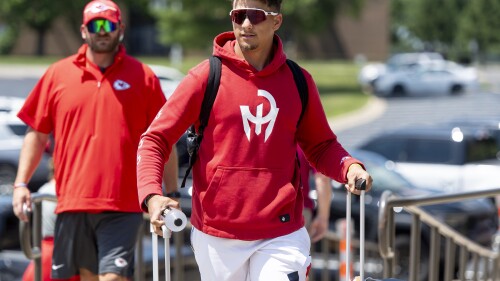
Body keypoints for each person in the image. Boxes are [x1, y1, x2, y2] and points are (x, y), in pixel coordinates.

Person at [137, 0, 373, 280]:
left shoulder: (299, 81)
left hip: (282, 232)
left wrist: (349, 167)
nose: (246, 23)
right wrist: (152, 195)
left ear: (277, 21)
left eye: (256, 16)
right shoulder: (205, 77)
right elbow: (155, 139)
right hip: (217, 234)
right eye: (239, 15)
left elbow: (321, 146)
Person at [11, 1, 178, 280]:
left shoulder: (144, 77)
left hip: (122, 205)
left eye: (109, 25)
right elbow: (37, 133)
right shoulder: (57, 74)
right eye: (95, 25)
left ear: (120, 29)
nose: (102, 31)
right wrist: (20, 184)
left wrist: (170, 193)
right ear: (83, 30)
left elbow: (164, 139)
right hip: (72, 203)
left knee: (113, 277)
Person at [297, 147, 332, 243]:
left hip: (264, 207)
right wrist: (323, 217)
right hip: (299, 210)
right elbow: (322, 179)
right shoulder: (305, 138)